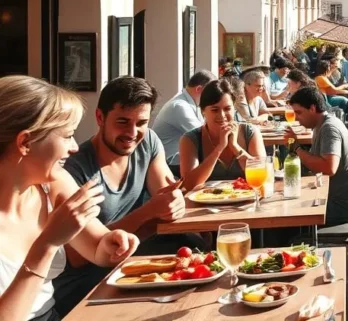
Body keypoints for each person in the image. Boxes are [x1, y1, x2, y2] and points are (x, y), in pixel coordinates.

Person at [0, 76, 141, 321]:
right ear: (25, 142)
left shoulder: (53, 184)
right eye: (67, 136)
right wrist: (47, 244)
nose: (75, 147)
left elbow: (98, 247)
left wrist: (114, 243)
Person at [53, 77, 188, 315]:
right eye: (123, 122)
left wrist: (172, 203)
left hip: (135, 268)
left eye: (141, 122)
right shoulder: (73, 170)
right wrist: (148, 213)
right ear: (100, 118)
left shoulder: (148, 143)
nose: (132, 133)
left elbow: (166, 202)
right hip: (85, 289)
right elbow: (77, 257)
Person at [287, 86, 348, 226]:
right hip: (327, 197)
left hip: (336, 207)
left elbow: (328, 167)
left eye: (299, 112)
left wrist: (296, 148)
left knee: (283, 217)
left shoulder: (329, 128)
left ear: (312, 108)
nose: (296, 118)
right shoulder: (321, 124)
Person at [179, 79, 266, 191]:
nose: (222, 115)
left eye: (227, 109)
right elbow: (189, 184)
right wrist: (219, 149)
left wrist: (235, 147)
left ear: (234, 108)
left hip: (246, 201)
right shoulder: (190, 139)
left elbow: (262, 175)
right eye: (215, 110)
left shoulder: (250, 132)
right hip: (205, 204)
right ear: (203, 111)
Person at [150, 70, 216, 169]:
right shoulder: (180, 106)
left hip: (176, 159)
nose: (213, 97)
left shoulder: (191, 103)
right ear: (198, 89)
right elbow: (204, 135)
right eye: (210, 92)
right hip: (168, 162)